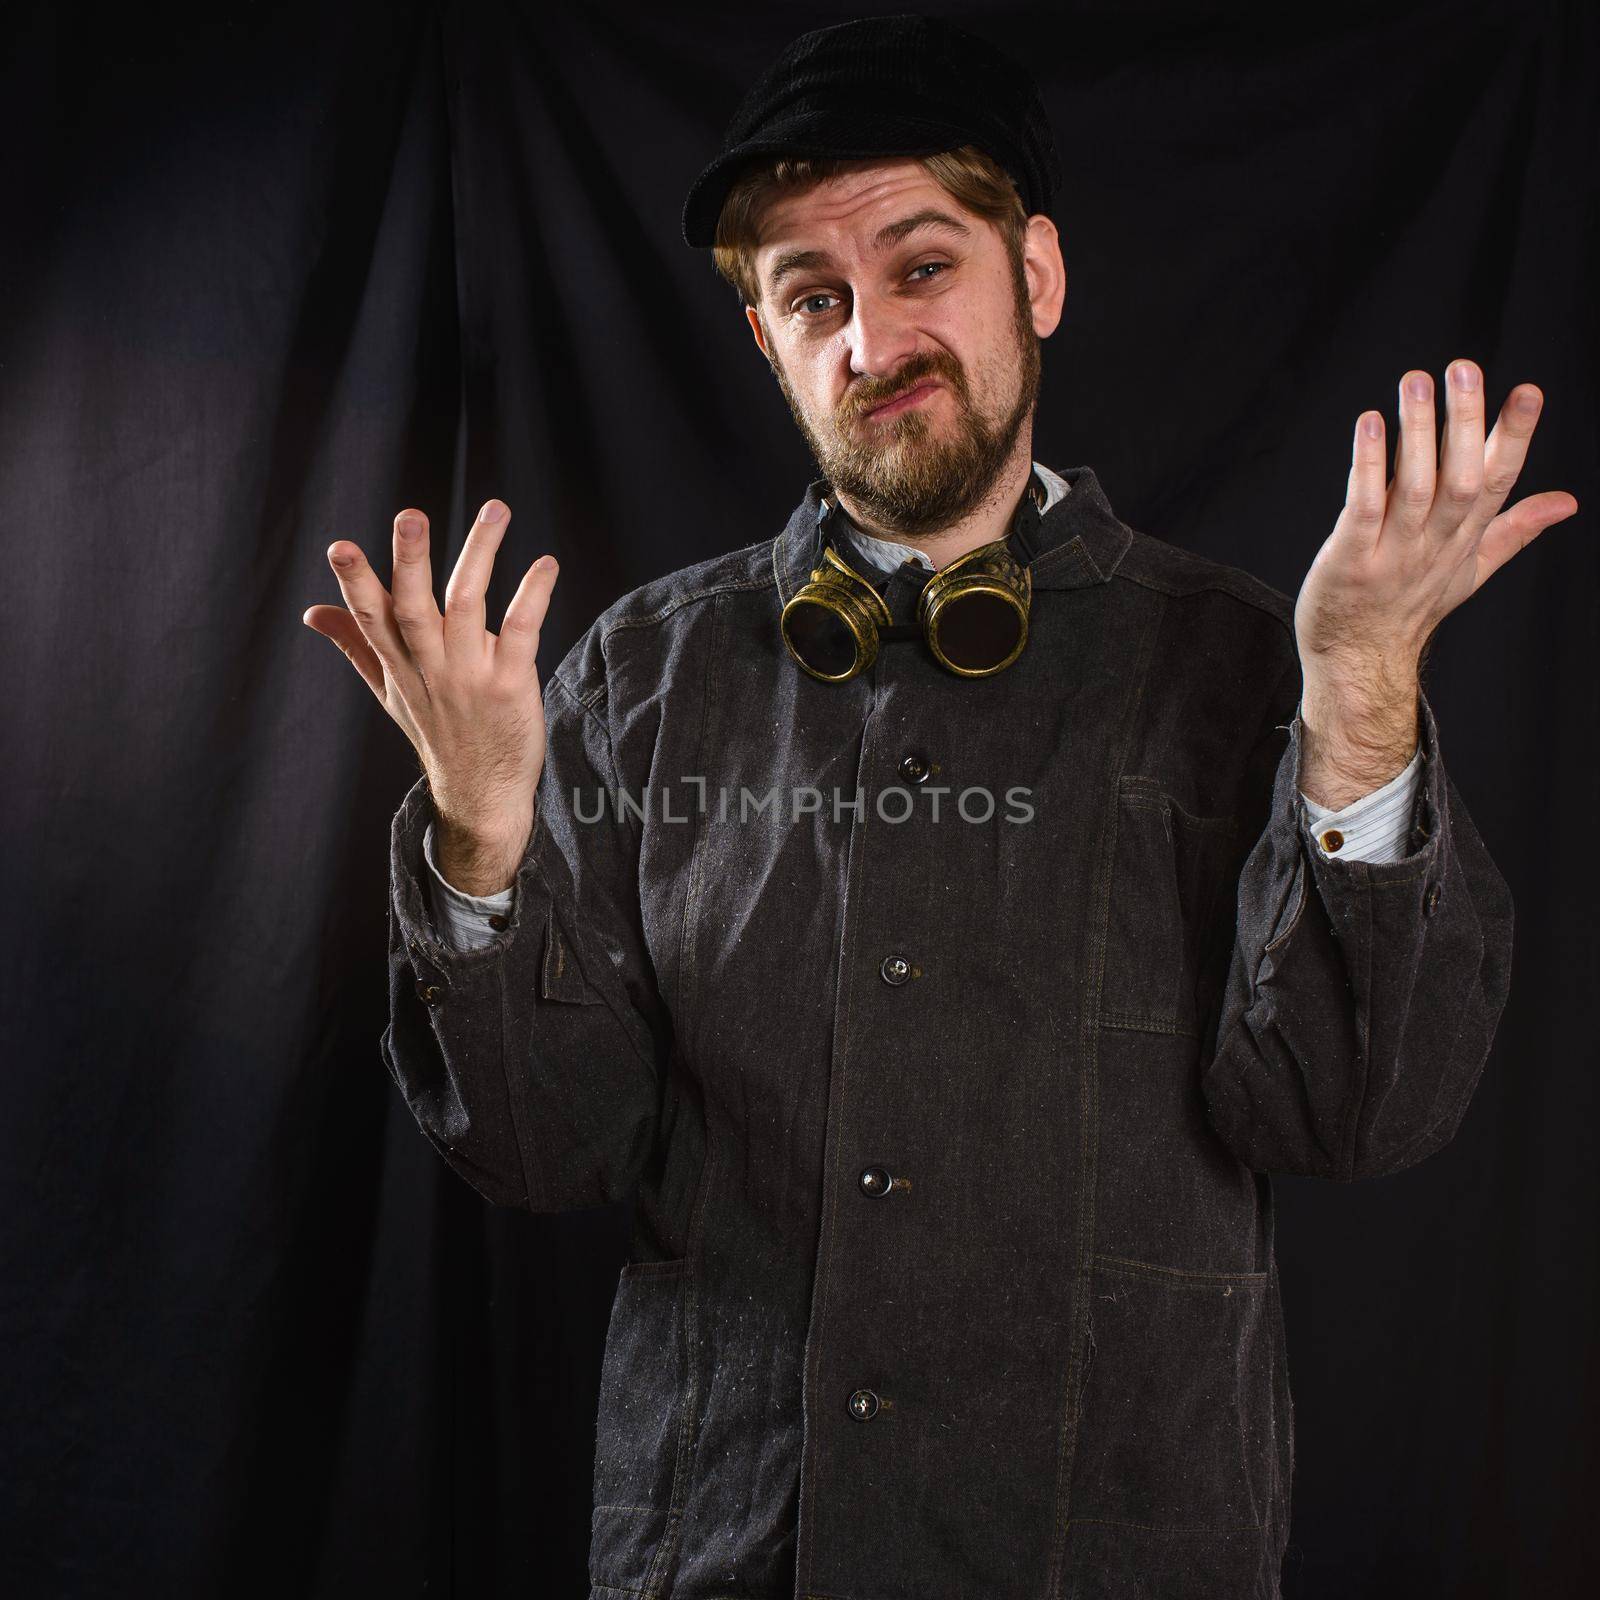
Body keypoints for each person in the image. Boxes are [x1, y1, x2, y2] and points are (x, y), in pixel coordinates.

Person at [301, 14, 1572, 1597]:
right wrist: (484, 835)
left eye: (920, 268)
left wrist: (1367, 692)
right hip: (730, 1561)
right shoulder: (641, 675)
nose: (868, 340)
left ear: (1033, 276)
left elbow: (1352, 1112)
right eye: (811, 298)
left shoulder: (1255, 661)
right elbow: (552, 1147)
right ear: (766, 343)